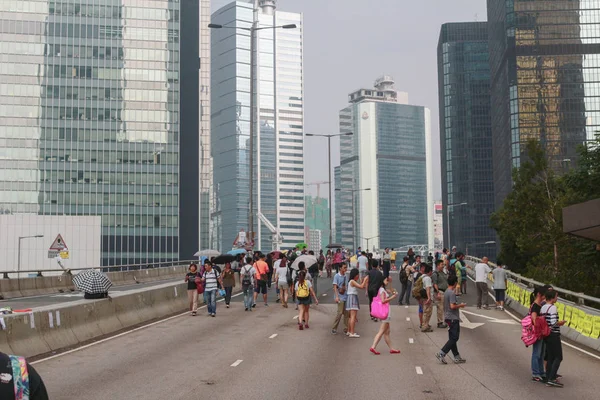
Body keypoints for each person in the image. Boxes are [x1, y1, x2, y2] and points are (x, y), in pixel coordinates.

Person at [435, 275, 467, 364]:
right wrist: (461, 305)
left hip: (448, 317)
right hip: (453, 318)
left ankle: (456, 356)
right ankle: (442, 353)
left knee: (452, 338)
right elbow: (452, 306)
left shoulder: (446, 291)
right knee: (454, 338)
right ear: (455, 283)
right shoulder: (451, 293)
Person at [369, 276, 401, 355]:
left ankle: (392, 348)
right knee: (381, 331)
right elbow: (383, 301)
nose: (387, 281)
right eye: (385, 280)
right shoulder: (382, 289)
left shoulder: (380, 289)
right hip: (386, 313)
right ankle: (373, 346)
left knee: (387, 332)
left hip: (384, 313)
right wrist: (393, 297)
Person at [542, 290, 565, 387]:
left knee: (550, 357)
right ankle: (552, 378)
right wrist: (560, 323)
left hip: (546, 335)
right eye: (556, 296)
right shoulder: (553, 308)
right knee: (558, 357)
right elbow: (553, 322)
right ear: (552, 298)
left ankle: (548, 377)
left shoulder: (543, 307)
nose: (557, 298)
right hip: (553, 334)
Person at [530, 286, 547, 382]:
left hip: (541, 333)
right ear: (539, 294)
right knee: (537, 353)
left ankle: (541, 372)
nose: (545, 297)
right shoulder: (536, 306)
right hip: (537, 333)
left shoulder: (540, 305)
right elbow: (534, 319)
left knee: (541, 353)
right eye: (544, 295)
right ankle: (535, 373)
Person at [346, 268, 367, 338]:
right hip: (352, 298)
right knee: (353, 316)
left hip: (350, 298)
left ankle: (349, 331)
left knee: (350, 316)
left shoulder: (351, 281)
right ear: (355, 275)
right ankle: (352, 332)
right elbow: (361, 286)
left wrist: (364, 282)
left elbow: (361, 286)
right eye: (357, 275)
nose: (358, 276)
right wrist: (365, 279)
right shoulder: (352, 281)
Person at [332, 263, 349, 335]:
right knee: (339, 312)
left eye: (346, 267)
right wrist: (336, 296)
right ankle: (334, 328)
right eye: (344, 267)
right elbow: (335, 287)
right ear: (340, 268)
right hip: (340, 297)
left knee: (346, 313)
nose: (345, 269)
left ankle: (346, 328)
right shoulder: (336, 276)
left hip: (346, 296)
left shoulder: (346, 276)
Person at [432, 259, 449, 329]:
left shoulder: (443, 273)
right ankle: (440, 322)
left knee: (445, 308)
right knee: (440, 308)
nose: (443, 266)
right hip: (440, 292)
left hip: (445, 292)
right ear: (438, 265)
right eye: (442, 265)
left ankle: (444, 321)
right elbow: (435, 284)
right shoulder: (435, 274)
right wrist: (438, 292)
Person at [421, 264, 434, 332]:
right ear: (430, 271)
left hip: (424, 297)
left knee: (425, 311)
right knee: (427, 312)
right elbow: (428, 288)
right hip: (427, 297)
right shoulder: (428, 278)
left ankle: (426, 324)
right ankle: (425, 326)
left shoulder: (422, 277)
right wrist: (429, 298)